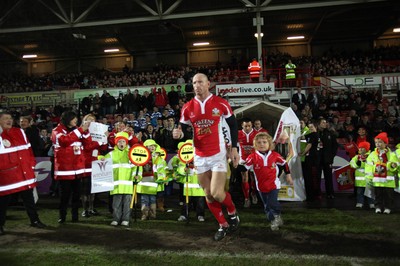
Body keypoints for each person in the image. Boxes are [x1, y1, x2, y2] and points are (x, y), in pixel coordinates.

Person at [173, 73, 240, 241]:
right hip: (199, 156)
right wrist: (178, 132)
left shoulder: (221, 103)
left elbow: (233, 125)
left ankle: (232, 212)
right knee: (208, 194)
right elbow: (181, 126)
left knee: (218, 194)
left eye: (200, 82)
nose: (197, 85)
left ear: (208, 84)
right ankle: (223, 225)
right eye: (194, 82)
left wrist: (235, 148)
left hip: (218, 154)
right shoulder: (188, 107)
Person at [0, 112, 46, 235]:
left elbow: (28, 150)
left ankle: (35, 220)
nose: (8, 120)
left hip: (23, 172)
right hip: (7, 175)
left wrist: (31, 165)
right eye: (5, 118)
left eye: (10, 118)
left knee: (29, 199)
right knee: (3, 202)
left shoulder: (20, 132)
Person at [244, 132, 293, 231]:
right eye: (259, 142)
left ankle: (276, 217)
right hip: (261, 187)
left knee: (272, 203)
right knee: (266, 206)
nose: (262, 144)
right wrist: (238, 164)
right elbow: (245, 167)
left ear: (269, 144)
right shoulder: (252, 157)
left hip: (274, 185)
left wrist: (288, 175)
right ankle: (273, 219)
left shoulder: (275, 155)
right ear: (255, 145)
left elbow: (284, 164)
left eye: (264, 142)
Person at [52, 111, 90, 223]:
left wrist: (86, 130)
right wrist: (80, 130)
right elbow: (64, 141)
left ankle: (75, 216)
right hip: (65, 169)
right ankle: (62, 216)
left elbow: (88, 143)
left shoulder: (77, 129)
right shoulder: (56, 131)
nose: (76, 121)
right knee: (65, 195)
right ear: (67, 119)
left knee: (76, 195)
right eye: (73, 119)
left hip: (77, 169)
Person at [102, 132, 137, 226]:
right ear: (116, 143)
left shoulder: (131, 154)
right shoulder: (111, 154)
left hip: (127, 184)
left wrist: (136, 176)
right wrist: (99, 158)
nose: (121, 143)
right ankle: (116, 219)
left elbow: (136, 167)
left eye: (123, 141)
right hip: (116, 184)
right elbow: (102, 162)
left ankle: (126, 219)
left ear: (126, 143)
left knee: (127, 203)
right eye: (119, 141)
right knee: (116, 203)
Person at [80, 114, 108, 218]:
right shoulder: (82, 132)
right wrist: (99, 142)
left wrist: (105, 137)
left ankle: (91, 208)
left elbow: (104, 147)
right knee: (84, 189)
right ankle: (84, 209)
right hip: (85, 163)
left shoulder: (98, 132)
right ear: (84, 121)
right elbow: (87, 147)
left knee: (93, 188)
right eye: (89, 120)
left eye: (93, 120)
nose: (91, 122)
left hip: (95, 162)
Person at [365, 132, 397, 214]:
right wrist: (369, 177)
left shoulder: (391, 154)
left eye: (380, 142)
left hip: (388, 180)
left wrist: (393, 166)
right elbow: (368, 166)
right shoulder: (372, 154)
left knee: (389, 195)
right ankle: (378, 207)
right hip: (377, 179)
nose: (377, 144)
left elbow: (394, 165)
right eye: (376, 142)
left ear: (385, 143)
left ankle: (388, 207)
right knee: (378, 194)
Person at [176, 141, 206, 222]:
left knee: (200, 202)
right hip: (188, 185)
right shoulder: (184, 159)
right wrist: (184, 169)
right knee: (186, 202)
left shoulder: (201, 158)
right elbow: (180, 170)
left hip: (198, 185)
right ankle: (184, 215)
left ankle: (200, 215)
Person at [137, 140, 166, 220]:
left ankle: (153, 214)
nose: (153, 147)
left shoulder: (158, 158)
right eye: (150, 145)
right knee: (144, 199)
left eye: (154, 146)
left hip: (153, 182)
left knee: (152, 199)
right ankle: (144, 214)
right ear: (146, 147)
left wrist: (161, 178)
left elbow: (161, 169)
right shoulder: (142, 156)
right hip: (143, 182)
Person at [237, 118, 257, 207]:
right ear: (242, 126)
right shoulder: (238, 134)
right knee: (245, 179)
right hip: (243, 160)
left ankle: (253, 193)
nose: (247, 128)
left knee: (253, 178)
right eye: (245, 126)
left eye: (249, 126)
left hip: (254, 159)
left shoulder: (256, 134)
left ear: (251, 125)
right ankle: (246, 198)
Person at [316, 118, 338, 199]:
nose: (325, 124)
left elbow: (335, 146)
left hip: (327, 159)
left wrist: (332, 156)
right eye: (323, 122)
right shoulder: (315, 133)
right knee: (317, 177)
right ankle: (318, 193)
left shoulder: (330, 134)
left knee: (328, 177)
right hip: (317, 159)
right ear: (318, 124)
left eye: (325, 122)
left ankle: (330, 193)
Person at [350, 141, 374, 209]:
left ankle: (371, 203)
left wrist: (365, 161)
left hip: (369, 179)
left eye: (362, 148)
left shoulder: (371, 156)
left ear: (366, 149)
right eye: (359, 148)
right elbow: (352, 164)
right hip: (360, 181)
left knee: (370, 192)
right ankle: (360, 202)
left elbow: (373, 165)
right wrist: (358, 162)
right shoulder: (357, 157)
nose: (360, 149)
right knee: (359, 192)